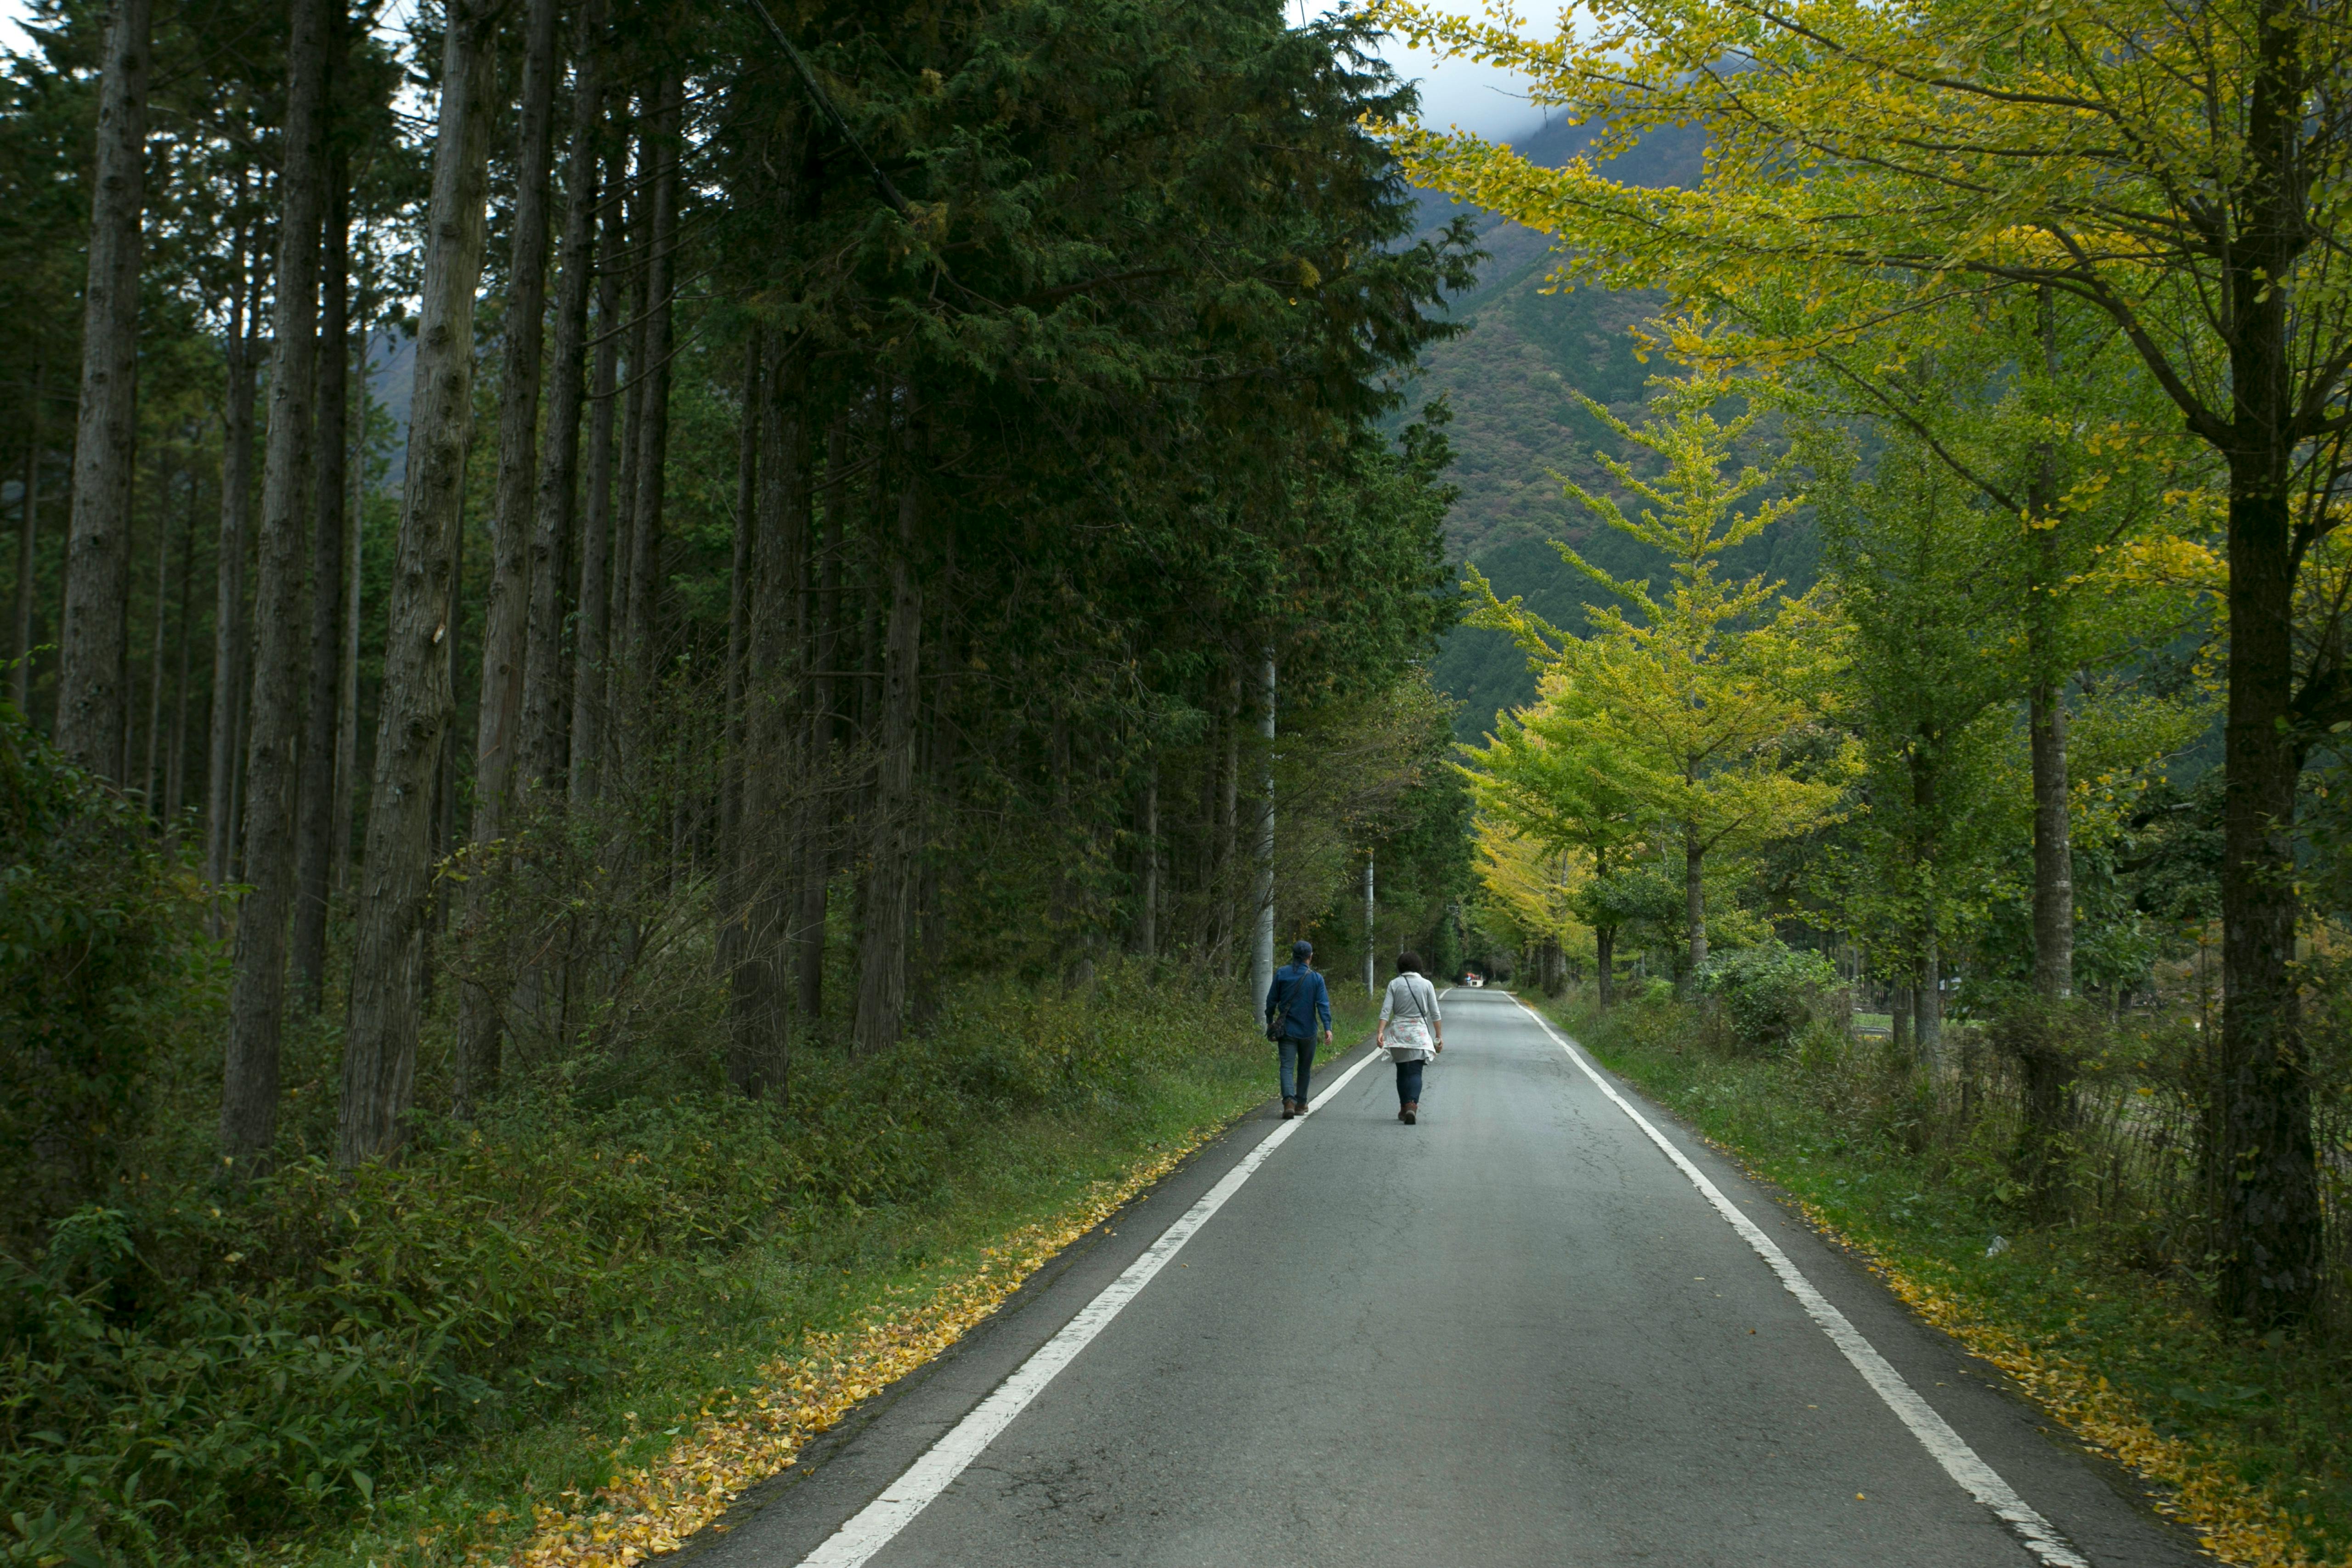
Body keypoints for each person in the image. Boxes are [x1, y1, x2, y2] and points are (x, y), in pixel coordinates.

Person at [1264, 939, 1333, 1120]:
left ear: (1293, 956)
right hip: (1308, 1031)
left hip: (1286, 1031)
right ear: (1310, 957)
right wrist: (1328, 1028)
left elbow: (1271, 1000)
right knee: (1304, 1068)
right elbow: (1323, 1005)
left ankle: (1288, 1102)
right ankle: (1301, 1104)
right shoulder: (1316, 978)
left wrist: (1270, 1019)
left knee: (1287, 1066)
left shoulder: (1282, 974)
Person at [1376, 950, 1443, 1125]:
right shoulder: (1427, 985)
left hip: (1398, 1034)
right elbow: (1435, 1014)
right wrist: (1439, 1036)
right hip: (1418, 1035)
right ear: (1419, 966)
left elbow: (1386, 1010)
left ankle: (1403, 1107)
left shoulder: (1395, 984)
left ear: (1400, 967)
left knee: (1402, 1072)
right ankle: (1412, 1104)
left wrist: (1380, 1032)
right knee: (1415, 1072)